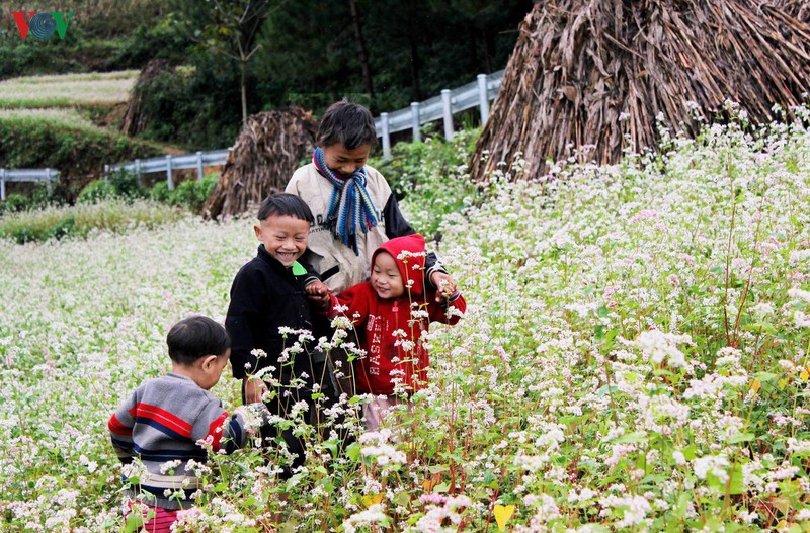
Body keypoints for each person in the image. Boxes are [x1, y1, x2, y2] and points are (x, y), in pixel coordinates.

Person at [286, 99, 457, 394]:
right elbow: (289, 253)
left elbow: (403, 237)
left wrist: (435, 272)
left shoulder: (375, 181)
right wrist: (310, 280)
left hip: (377, 307)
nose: (350, 168)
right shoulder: (302, 184)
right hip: (326, 311)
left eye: (360, 160)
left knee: (378, 389)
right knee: (333, 390)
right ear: (322, 142)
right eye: (341, 160)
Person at [107, 315, 268, 533]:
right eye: (223, 366)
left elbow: (117, 426)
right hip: (174, 506)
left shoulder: (148, 389)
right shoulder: (200, 403)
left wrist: (130, 462)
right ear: (209, 363)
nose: (223, 372)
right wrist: (252, 413)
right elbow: (226, 440)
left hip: (136, 500)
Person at [224, 193, 332, 477]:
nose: (290, 246)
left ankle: (304, 495)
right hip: (269, 381)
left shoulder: (298, 270)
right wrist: (251, 374)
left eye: (300, 238)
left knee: (306, 440)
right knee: (278, 447)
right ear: (259, 233)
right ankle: (280, 501)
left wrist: (317, 293)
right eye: (281, 237)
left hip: (303, 374)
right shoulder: (253, 275)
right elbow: (239, 326)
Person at [321, 233, 466, 430]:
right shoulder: (366, 294)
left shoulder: (422, 300)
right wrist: (325, 301)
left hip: (412, 391)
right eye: (377, 271)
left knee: (408, 441)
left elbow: (454, 316)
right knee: (376, 441)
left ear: (411, 277)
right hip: (373, 393)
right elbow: (343, 312)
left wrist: (449, 294)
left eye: (391, 275)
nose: (381, 280)